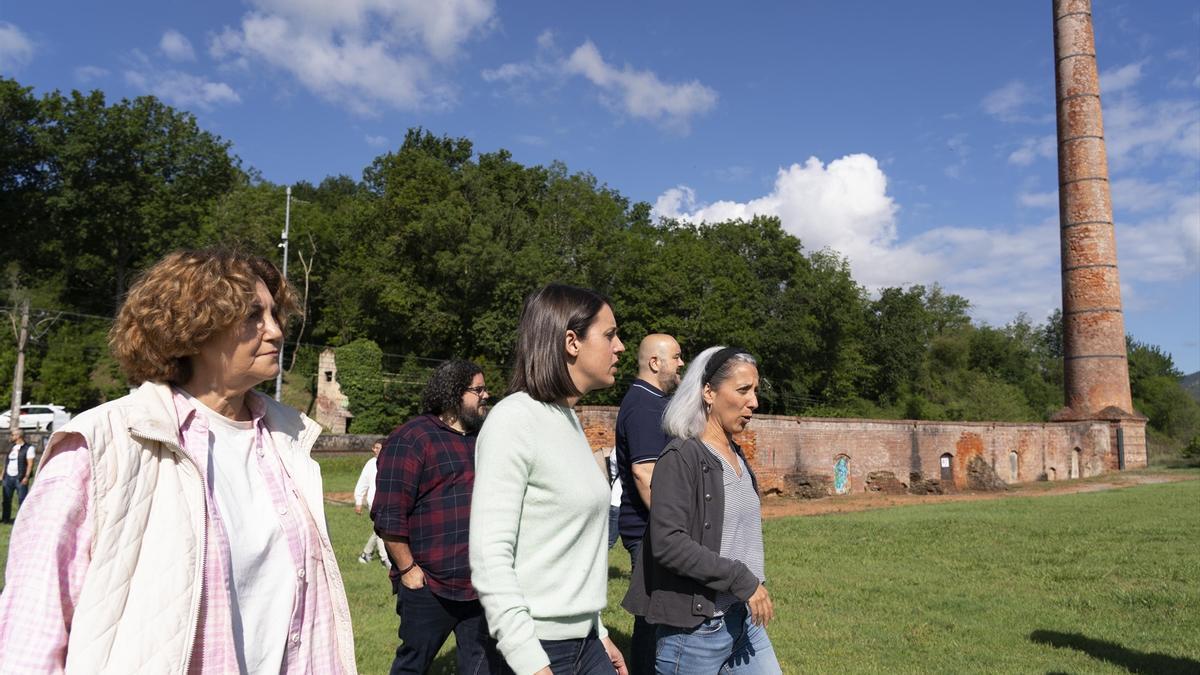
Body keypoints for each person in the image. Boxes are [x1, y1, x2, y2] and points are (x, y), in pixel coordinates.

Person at [0, 248, 356, 674]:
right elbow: (32, 634)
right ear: (195, 328)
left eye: (275, 315)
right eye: (253, 316)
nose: (276, 331)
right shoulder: (100, 445)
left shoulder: (289, 438)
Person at [470, 283, 629, 675]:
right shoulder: (514, 420)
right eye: (609, 335)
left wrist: (598, 631)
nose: (620, 346)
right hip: (536, 651)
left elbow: (569, 554)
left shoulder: (568, 420)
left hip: (586, 646)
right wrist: (529, 661)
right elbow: (490, 556)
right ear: (571, 342)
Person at [622, 346, 780, 674]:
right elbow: (668, 543)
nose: (754, 402)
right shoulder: (682, 456)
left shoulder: (736, 456)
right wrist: (742, 580)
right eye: (742, 390)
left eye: (755, 390)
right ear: (708, 392)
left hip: (744, 622)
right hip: (696, 633)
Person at [372, 359, 504, 675]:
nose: (486, 395)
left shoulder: (482, 439)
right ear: (455, 393)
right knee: (412, 667)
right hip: (430, 584)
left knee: (483, 667)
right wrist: (408, 569)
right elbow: (388, 513)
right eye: (479, 389)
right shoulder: (413, 438)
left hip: (480, 583)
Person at [614, 334, 684, 673]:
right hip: (648, 531)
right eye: (677, 357)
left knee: (655, 610)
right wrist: (670, 527)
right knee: (653, 613)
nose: (681, 364)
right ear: (656, 363)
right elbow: (644, 472)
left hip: (654, 529)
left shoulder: (654, 400)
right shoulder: (643, 404)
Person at [355, 440, 389, 567]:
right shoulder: (370, 464)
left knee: (379, 530)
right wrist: (358, 501)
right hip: (374, 503)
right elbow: (362, 483)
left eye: (378, 448)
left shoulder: (390, 462)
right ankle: (385, 559)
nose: (374, 450)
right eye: (374, 448)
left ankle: (366, 554)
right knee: (381, 530)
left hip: (387, 503)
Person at [1, 429, 36, 524]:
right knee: (6, 499)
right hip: (8, 477)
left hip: (20, 477)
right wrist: (2, 475)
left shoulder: (29, 448)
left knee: (22, 499)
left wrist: (26, 477)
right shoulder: (12, 447)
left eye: (12, 435)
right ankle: (5, 519)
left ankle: (22, 521)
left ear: (18, 436)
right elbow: (6, 462)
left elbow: (30, 464)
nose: (11, 437)